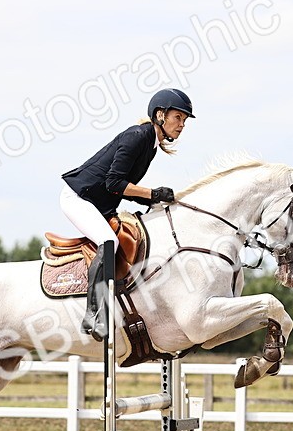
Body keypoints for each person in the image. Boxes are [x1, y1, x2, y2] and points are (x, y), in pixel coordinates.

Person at [60, 87, 195, 339]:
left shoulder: (151, 145)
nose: (182, 125)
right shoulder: (138, 136)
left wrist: (155, 201)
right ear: (160, 115)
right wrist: (153, 193)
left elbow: (123, 188)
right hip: (78, 198)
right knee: (108, 242)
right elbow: (114, 184)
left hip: (98, 202)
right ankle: (94, 314)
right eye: (178, 118)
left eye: (184, 121)